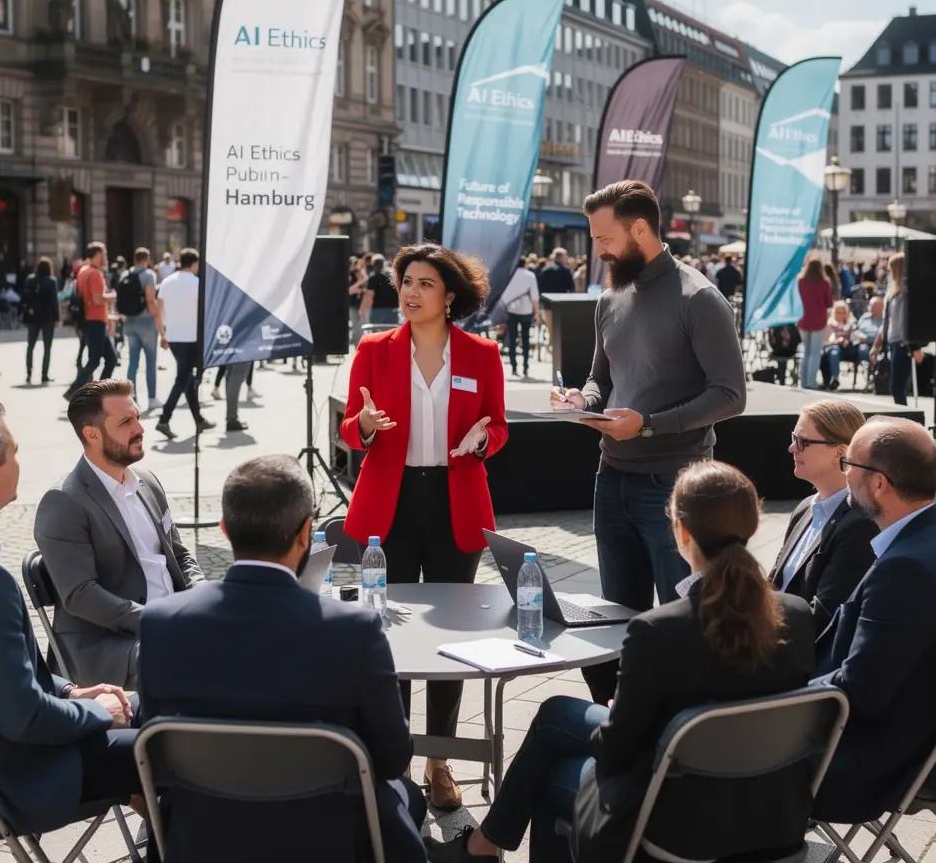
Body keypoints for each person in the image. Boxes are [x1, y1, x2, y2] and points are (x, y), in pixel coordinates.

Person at [431, 462, 816, 863]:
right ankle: (482, 849)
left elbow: (616, 752)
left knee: (555, 767)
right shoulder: (797, 615)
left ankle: (481, 849)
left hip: (675, 828)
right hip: (773, 820)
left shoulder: (658, 630)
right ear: (753, 528)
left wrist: (619, 714)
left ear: (681, 533)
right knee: (556, 712)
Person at [137, 455, 429, 863]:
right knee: (407, 797)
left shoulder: (161, 624)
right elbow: (393, 756)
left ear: (224, 530)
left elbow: (155, 750)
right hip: (328, 840)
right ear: (307, 533)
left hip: (204, 838)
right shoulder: (354, 631)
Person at [550, 181, 746, 701]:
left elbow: (730, 395)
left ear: (641, 229)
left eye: (604, 237)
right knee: (617, 621)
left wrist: (650, 424)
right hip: (610, 479)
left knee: (680, 621)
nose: (597, 250)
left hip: (675, 486)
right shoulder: (610, 297)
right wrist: (582, 401)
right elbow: (600, 379)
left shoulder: (699, 297)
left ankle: (684, 732)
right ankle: (619, 733)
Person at [0, 401, 139, 835]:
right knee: (170, 745)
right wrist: (97, 711)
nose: (21, 461)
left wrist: (73, 691)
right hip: (7, 779)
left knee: (153, 711)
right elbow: (25, 718)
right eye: (14, 452)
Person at [341, 243, 508, 810]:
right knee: (387, 636)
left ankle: (440, 761)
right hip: (389, 502)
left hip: (454, 499)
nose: (410, 293)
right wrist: (361, 424)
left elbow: (499, 426)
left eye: (425, 284)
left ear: (450, 296)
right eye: (405, 281)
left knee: (449, 638)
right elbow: (349, 429)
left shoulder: (482, 353)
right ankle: (397, 759)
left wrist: (483, 439)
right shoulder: (373, 349)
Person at [812, 418, 936, 822]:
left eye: (849, 463)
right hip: (903, 739)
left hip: (866, 762)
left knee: (689, 748)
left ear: (880, 483)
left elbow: (861, 691)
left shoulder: (906, 569)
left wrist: (771, 697)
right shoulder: (925, 542)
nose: (845, 473)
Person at [34, 380, 204, 688]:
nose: (139, 428)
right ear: (92, 434)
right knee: (192, 660)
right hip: (108, 647)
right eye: (126, 422)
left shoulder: (147, 482)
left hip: (169, 625)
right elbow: (81, 595)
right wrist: (158, 622)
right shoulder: (64, 501)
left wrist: (203, 598)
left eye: (137, 417)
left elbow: (179, 555)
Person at [769, 400, 877, 633]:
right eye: (793, 437)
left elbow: (825, 616)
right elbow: (775, 584)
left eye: (803, 442)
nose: (792, 448)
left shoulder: (860, 524)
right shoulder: (805, 508)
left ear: (840, 452)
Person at [155, 248, 215, 440]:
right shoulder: (198, 284)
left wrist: (162, 334)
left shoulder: (167, 282)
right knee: (183, 379)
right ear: (195, 264)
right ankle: (164, 418)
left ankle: (198, 419)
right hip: (192, 338)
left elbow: (158, 311)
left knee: (187, 378)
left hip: (173, 337)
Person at [870, 252, 923, 406]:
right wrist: (877, 345)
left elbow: (905, 321)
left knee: (897, 387)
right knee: (896, 386)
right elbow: (887, 321)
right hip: (894, 340)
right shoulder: (893, 292)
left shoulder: (904, 293)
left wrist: (913, 345)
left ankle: (905, 422)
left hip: (902, 342)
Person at [66, 242, 118, 398]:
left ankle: (100, 392)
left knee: (110, 358)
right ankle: (76, 389)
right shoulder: (95, 273)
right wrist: (112, 296)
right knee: (96, 360)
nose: (106, 257)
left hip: (91, 320)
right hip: (95, 320)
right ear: (97, 255)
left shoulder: (83, 270)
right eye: (105, 254)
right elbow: (97, 299)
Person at [118, 248, 163, 410]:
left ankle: (131, 396)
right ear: (147, 259)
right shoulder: (149, 275)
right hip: (146, 323)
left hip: (130, 322)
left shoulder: (125, 275)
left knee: (133, 362)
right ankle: (151, 398)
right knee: (151, 362)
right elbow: (150, 300)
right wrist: (157, 314)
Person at [498, 256, 540, 378]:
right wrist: (537, 313)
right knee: (526, 339)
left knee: (512, 338)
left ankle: (513, 365)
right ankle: (526, 365)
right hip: (526, 310)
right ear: (525, 263)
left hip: (511, 311)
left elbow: (503, 295)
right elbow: (535, 296)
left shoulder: (508, 275)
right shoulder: (530, 276)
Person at [796, 258, 834, 391]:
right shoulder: (824, 282)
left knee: (806, 351)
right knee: (815, 352)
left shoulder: (800, 281)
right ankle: (811, 382)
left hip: (803, 318)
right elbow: (829, 302)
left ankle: (803, 381)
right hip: (818, 318)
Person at [22, 256, 60, 384]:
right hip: (47, 317)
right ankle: (44, 374)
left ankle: (29, 372)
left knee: (30, 345)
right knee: (47, 347)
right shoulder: (51, 281)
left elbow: (25, 298)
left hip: (33, 316)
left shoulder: (30, 280)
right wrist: (57, 318)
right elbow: (54, 301)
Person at [820, 300, 863, 391]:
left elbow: (856, 337)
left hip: (847, 349)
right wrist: (837, 341)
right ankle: (835, 378)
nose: (840, 314)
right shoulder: (829, 324)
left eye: (843, 312)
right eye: (838, 312)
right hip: (831, 348)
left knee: (862, 350)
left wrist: (849, 339)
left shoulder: (851, 323)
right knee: (834, 352)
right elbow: (825, 342)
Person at [537, 248, 575, 348]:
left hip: (548, 304)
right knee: (560, 327)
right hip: (562, 303)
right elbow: (571, 286)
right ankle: (558, 346)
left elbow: (540, 287)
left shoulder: (546, 270)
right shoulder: (566, 270)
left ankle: (552, 344)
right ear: (562, 257)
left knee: (550, 328)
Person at [360, 252, 400, 326]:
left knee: (377, 334)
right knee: (392, 334)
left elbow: (369, 295)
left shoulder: (373, 276)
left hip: (377, 310)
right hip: (393, 309)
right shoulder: (393, 275)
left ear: (373, 263)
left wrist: (363, 309)